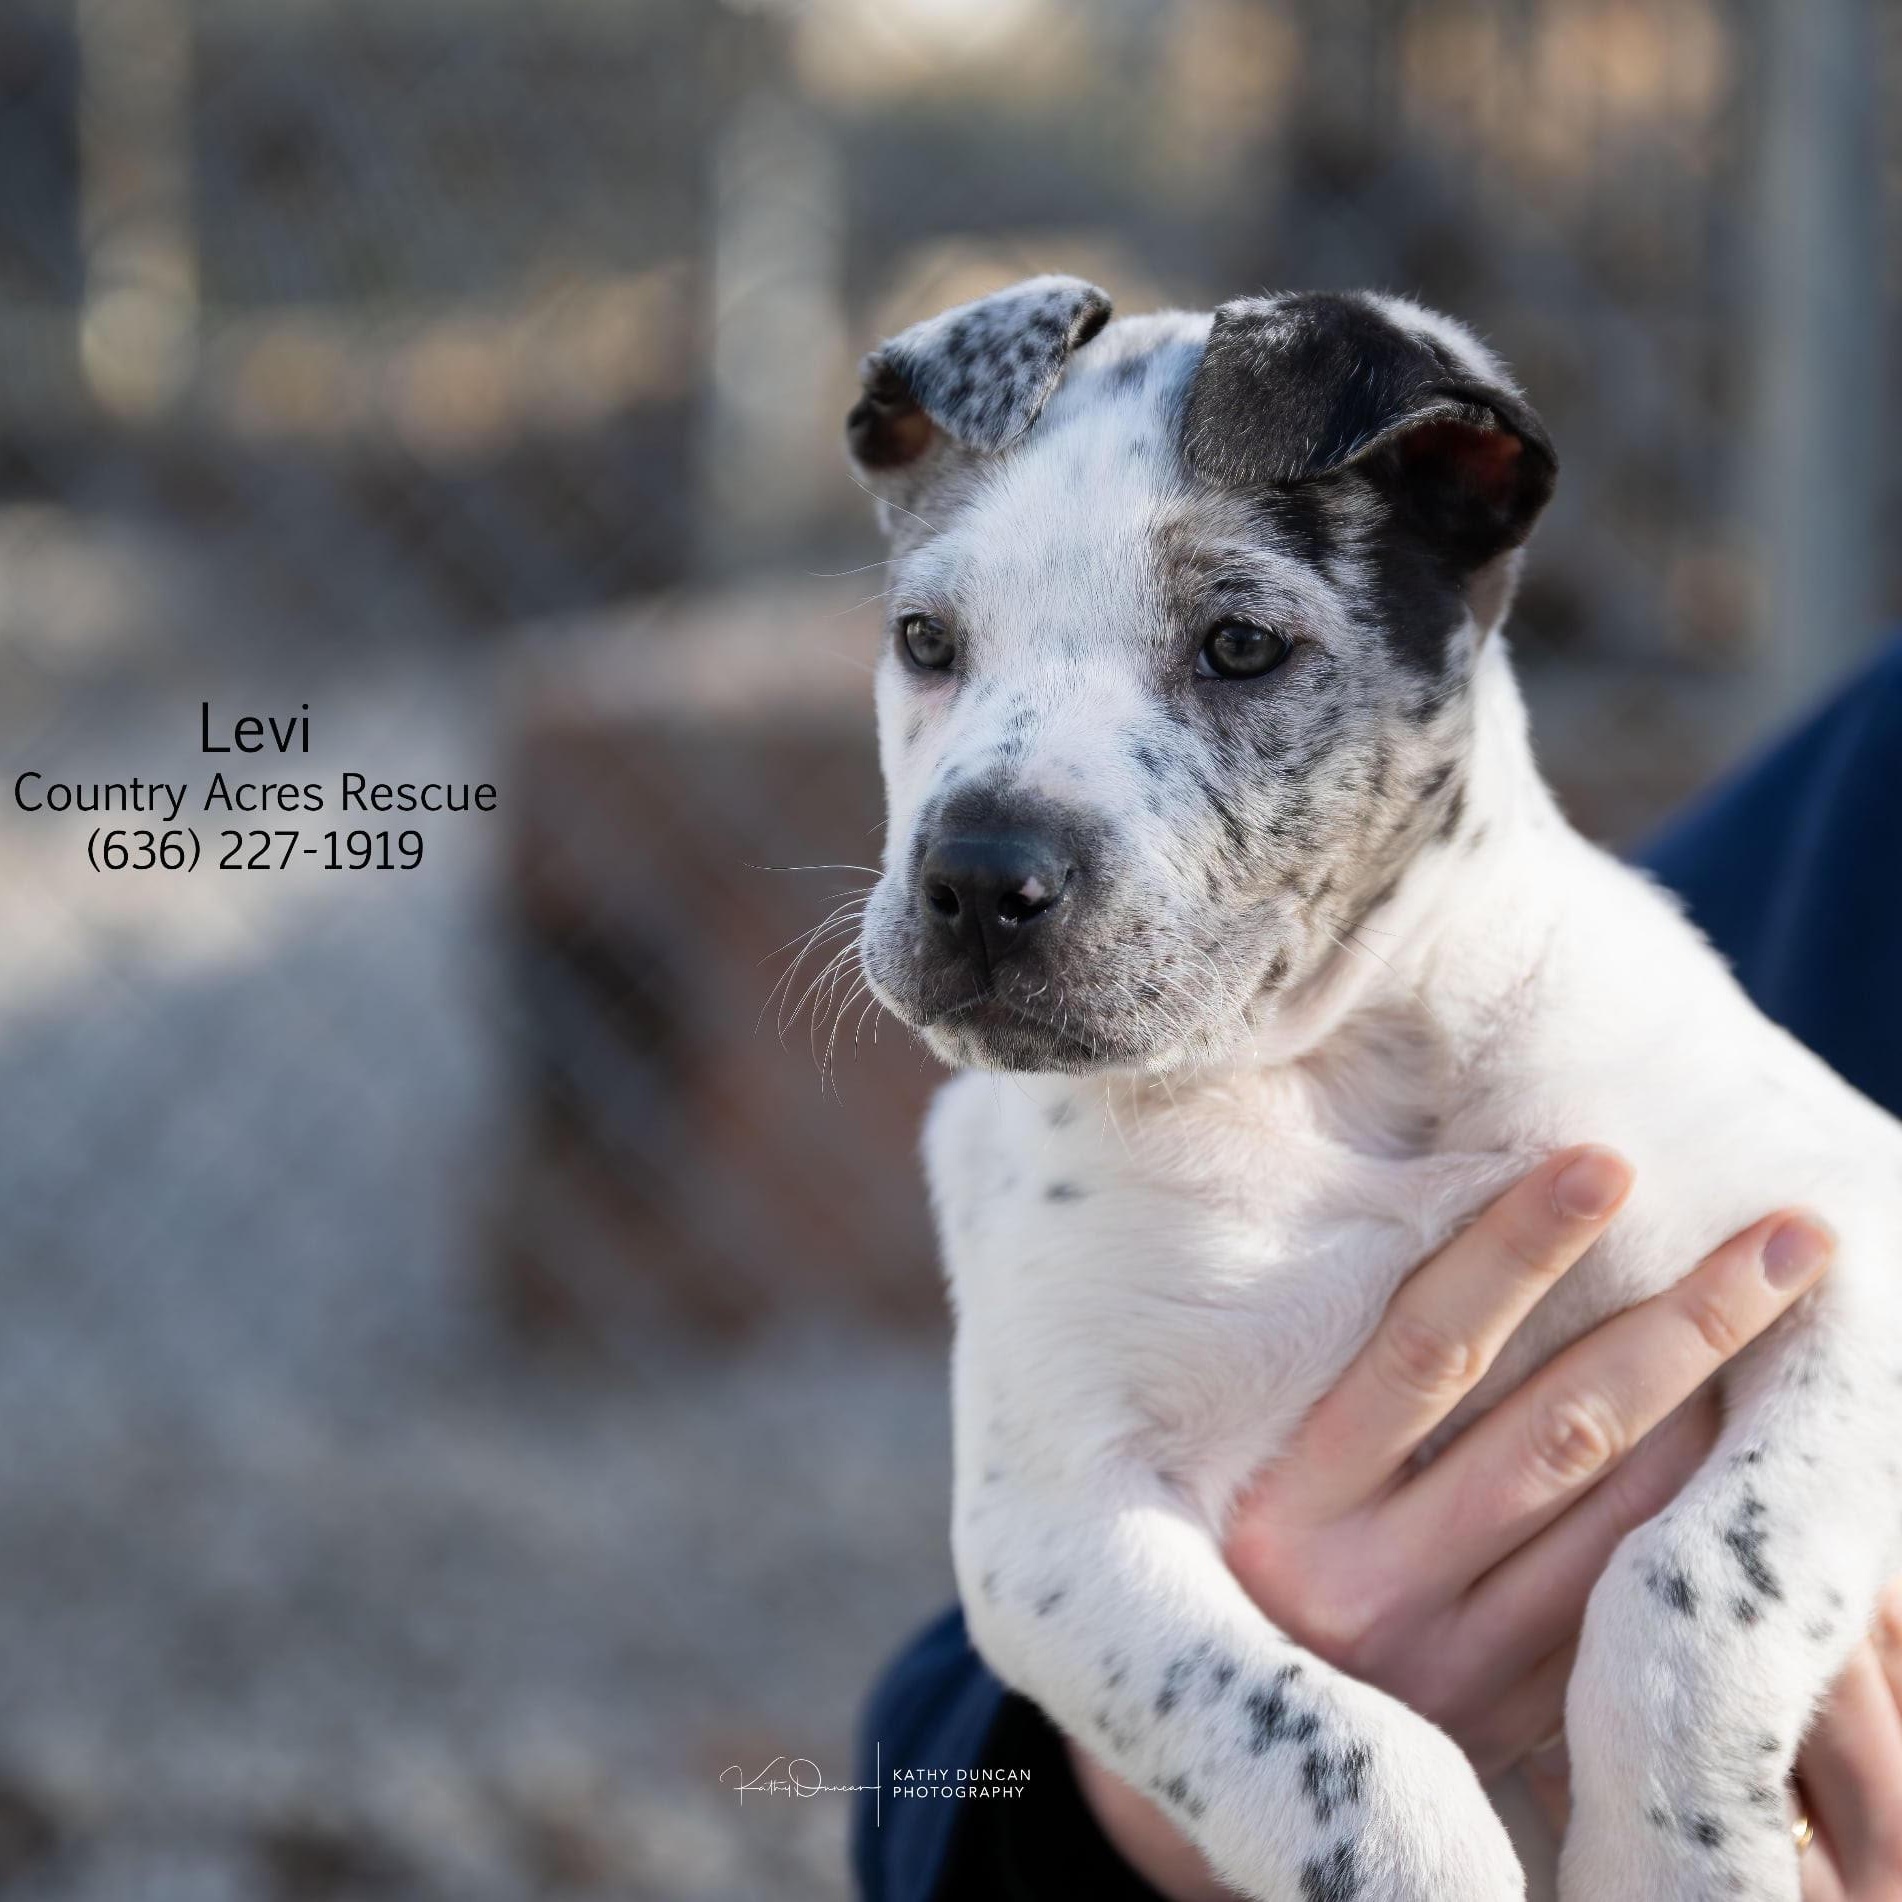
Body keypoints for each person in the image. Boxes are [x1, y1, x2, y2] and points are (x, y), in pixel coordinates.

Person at [853, 637, 1902, 1901]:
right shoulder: (1842, 813)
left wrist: (1688, 1713)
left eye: (1238, 650)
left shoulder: (1593, 1006)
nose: (988, 840)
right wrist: (1194, 1811)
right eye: (933, 646)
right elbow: (1008, 1625)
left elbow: (1865, 1267)